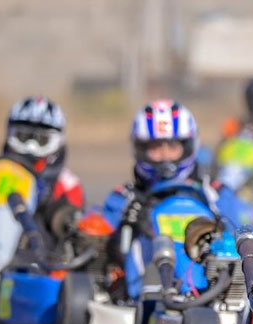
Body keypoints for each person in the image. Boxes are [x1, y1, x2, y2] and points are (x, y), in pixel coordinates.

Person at [99, 99, 235, 301]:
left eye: (172, 146)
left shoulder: (215, 194)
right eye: (155, 147)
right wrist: (128, 224)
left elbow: (241, 232)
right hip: (144, 286)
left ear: (188, 146)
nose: (164, 155)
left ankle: (202, 290)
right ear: (141, 149)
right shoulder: (124, 197)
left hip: (209, 286)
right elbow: (99, 242)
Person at [0, 96, 85, 243]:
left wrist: (46, 205)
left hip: (41, 250)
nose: (31, 147)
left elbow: (72, 229)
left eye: (42, 140)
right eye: (22, 137)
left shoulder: (68, 185)